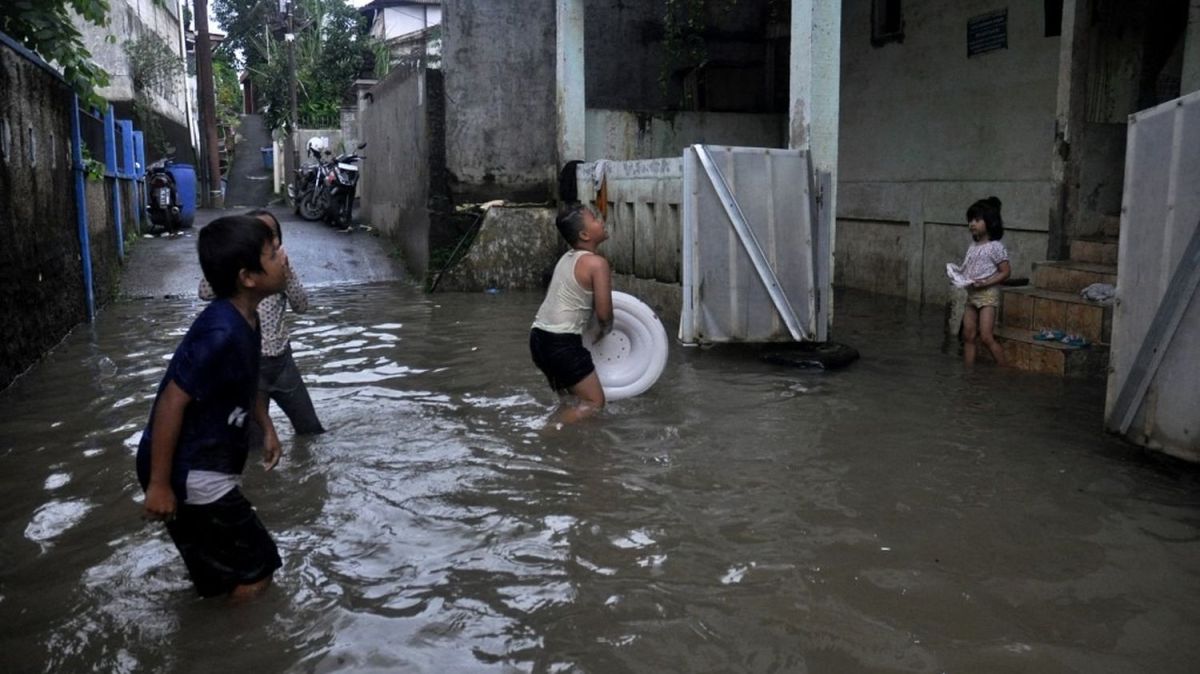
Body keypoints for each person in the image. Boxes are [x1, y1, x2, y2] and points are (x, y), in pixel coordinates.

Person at [138, 214, 287, 599]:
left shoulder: (246, 319)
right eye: (273, 253)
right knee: (258, 569)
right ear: (248, 277)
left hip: (202, 463)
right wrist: (158, 484)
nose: (284, 258)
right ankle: (238, 649)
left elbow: (245, 381)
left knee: (218, 579)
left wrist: (265, 425)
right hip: (193, 470)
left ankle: (203, 637)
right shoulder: (219, 332)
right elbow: (171, 401)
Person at [200, 209, 324, 435]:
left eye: (274, 236)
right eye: (263, 236)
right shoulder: (238, 273)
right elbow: (204, 292)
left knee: (310, 428)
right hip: (250, 367)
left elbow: (302, 306)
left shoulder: (279, 271)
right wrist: (228, 262)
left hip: (282, 364)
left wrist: (285, 274)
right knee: (254, 441)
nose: (273, 241)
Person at [529, 204, 614, 423]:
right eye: (595, 219)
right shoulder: (597, 264)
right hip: (561, 343)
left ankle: (569, 450)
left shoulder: (566, 258)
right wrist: (605, 331)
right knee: (594, 403)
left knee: (571, 402)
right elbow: (604, 314)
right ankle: (544, 434)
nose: (601, 220)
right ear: (585, 234)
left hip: (538, 338)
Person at [960, 196, 1011, 367]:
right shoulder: (972, 247)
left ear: (989, 222)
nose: (972, 224)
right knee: (968, 335)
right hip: (972, 294)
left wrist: (986, 283)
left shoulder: (995, 247)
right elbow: (968, 269)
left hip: (988, 295)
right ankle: (968, 373)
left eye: (977, 220)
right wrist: (958, 276)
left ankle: (1004, 370)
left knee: (986, 337)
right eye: (970, 220)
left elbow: (1006, 272)